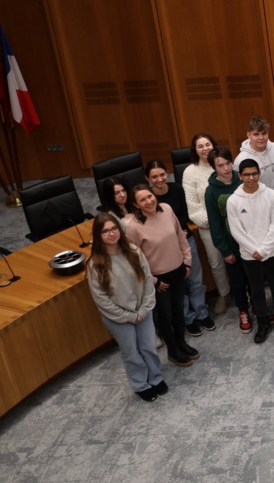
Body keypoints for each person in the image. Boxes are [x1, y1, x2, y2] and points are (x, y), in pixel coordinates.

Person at [87, 212, 166, 403]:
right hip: (118, 318)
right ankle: (141, 384)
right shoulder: (95, 264)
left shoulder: (133, 251)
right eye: (105, 231)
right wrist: (129, 316)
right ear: (98, 236)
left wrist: (144, 310)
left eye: (114, 228)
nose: (111, 233)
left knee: (149, 347)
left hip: (142, 311)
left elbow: (148, 280)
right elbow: (101, 299)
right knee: (131, 353)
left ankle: (155, 378)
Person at [125, 184, 198, 368]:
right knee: (165, 316)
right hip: (159, 280)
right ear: (136, 205)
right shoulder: (133, 227)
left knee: (179, 310)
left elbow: (180, 237)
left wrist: (187, 261)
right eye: (142, 200)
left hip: (179, 270)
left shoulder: (166, 209)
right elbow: (134, 261)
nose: (148, 201)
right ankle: (173, 350)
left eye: (150, 196)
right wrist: (154, 281)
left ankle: (182, 343)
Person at [228, 159, 274, 343]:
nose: (251, 178)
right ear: (240, 176)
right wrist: (255, 250)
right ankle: (263, 322)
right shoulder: (233, 200)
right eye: (247, 174)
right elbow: (236, 231)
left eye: (254, 173)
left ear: (259, 174)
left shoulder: (271, 195)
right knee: (257, 290)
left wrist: (264, 249)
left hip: (273, 251)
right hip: (249, 255)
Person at [145, 160, 213, 336]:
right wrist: (172, 232)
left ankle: (202, 313)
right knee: (178, 285)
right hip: (166, 247)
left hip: (185, 239)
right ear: (148, 178)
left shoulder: (176, 189)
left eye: (162, 174)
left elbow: (185, 213)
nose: (159, 179)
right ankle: (188, 318)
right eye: (154, 177)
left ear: (167, 172)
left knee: (195, 280)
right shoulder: (148, 199)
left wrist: (179, 228)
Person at [205, 147, 253, 333]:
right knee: (239, 281)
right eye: (220, 165)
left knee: (254, 278)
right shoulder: (211, 192)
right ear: (214, 167)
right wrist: (225, 250)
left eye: (228, 163)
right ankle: (243, 311)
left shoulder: (243, 180)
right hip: (231, 244)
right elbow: (215, 224)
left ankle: (259, 306)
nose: (225, 168)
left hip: (251, 239)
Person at [183, 133, 231, 315]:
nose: (205, 149)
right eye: (200, 146)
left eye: (208, 144)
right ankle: (224, 294)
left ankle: (244, 290)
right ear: (195, 150)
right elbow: (193, 207)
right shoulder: (190, 172)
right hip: (208, 226)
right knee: (216, 262)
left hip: (232, 222)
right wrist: (215, 222)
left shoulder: (223, 163)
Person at [235, 115, 274, 192]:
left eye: (264, 133)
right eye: (256, 134)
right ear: (248, 135)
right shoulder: (241, 159)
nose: (261, 138)